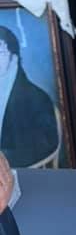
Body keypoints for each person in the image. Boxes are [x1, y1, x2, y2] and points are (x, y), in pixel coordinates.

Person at [0, 27, 58, 168]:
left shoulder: (35, 98)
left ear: (14, 58)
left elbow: (43, 146)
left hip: (17, 170)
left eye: (0, 53)